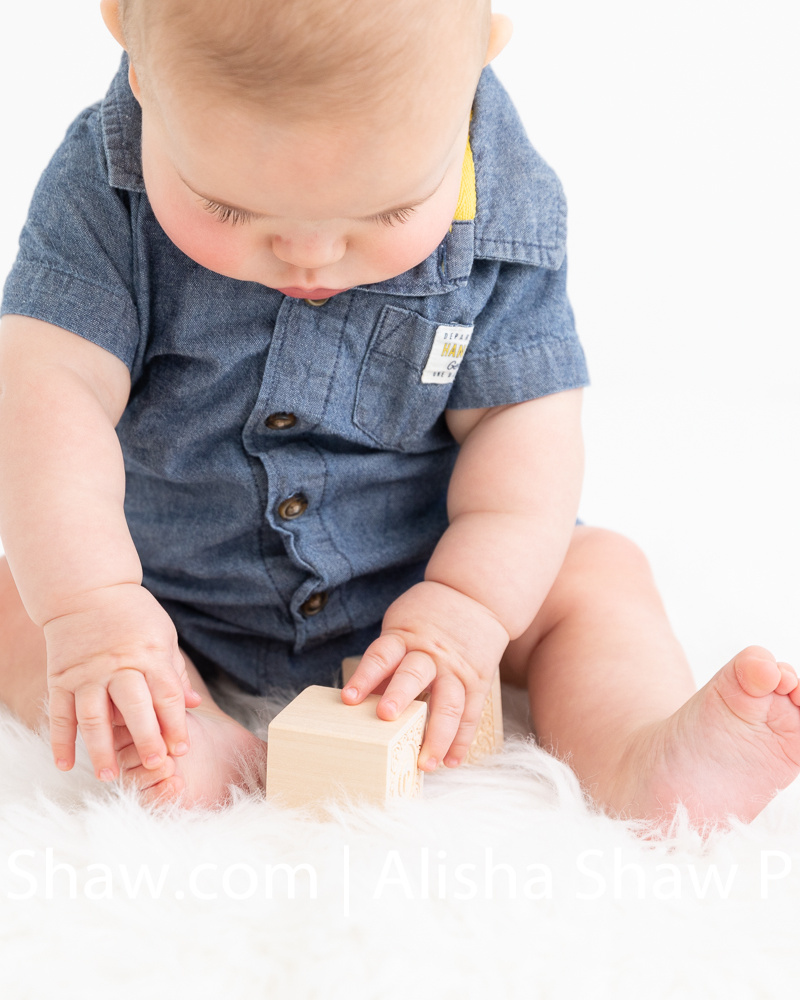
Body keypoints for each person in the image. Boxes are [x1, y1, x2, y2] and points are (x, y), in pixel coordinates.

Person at [0, 0, 797, 825]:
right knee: (26, 598)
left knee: (598, 574)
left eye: (384, 214)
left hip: (426, 572)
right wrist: (92, 604)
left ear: (479, 64)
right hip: (162, 584)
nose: (309, 257)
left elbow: (520, 430)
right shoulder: (99, 189)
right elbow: (50, 393)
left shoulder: (507, 205)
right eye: (227, 209)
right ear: (136, 58)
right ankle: (182, 728)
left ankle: (638, 753)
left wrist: (469, 607)